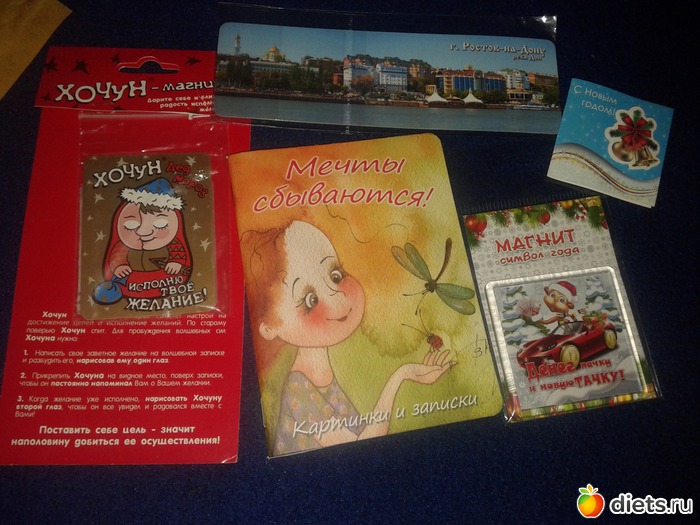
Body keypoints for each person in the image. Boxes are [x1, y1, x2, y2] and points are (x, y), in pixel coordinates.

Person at [241, 220, 454, 455]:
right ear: (270, 328)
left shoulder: (322, 376)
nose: (337, 298)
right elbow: (361, 444)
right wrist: (402, 374)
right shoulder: (297, 388)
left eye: (335, 275)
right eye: (311, 300)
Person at [92, 177, 191, 305]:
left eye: (160, 224)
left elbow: (179, 253)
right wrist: (119, 266)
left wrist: (176, 262)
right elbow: (117, 256)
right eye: (131, 224)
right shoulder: (123, 246)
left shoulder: (173, 244)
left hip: (166, 283)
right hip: (130, 284)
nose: (143, 232)